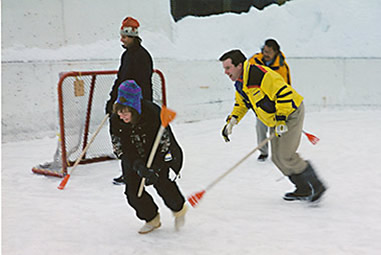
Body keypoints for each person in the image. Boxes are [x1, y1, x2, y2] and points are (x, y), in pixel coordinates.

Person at [219, 49, 326, 202]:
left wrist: (282, 118)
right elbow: (241, 104)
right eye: (224, 68)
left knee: (286, 155)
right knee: (277, 157)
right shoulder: (240, 83)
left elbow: (283, 93)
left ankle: (317, 185)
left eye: (228, 68)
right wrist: (233, 120)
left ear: (239, 65)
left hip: (290, 113)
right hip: (276, 119)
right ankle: (302, 188)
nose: (225, 72)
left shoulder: (260, 75)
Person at [110, 80, 187, 234]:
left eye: (125, 112)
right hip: (133, 158)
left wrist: (156, 167)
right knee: (133, 192)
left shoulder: (152, 113)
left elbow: (165, 143)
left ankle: (179, 209)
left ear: (135, 109)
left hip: (156, 153)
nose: (121, 115)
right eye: (119, 111)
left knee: (162, 184)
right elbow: (119, 148)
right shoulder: (115, 120)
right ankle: (151, 218)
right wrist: (137, 165)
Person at [105, 16, 154, 185]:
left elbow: (144, 84)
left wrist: (142, 106)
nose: (122, 39)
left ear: (133, 36)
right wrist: (113, 101)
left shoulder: (142, 56)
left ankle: (145, 171)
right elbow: (120, 80)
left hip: (137, 107)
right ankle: (128, 172)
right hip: (125, 106)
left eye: (124, 36)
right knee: (124, 137)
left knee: (138, 139)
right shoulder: (126, 55)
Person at [248, 38, 292, 162]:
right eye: (264, 51)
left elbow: (286, 88)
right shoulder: (255, 60)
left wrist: (283, 108)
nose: (265, 54)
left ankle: (279, 153)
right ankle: (263, 152)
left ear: (276, 52)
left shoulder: (282, 67)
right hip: (260, 101)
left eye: (268, 52)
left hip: (276, 103)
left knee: (277, 130)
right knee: (260, 127)